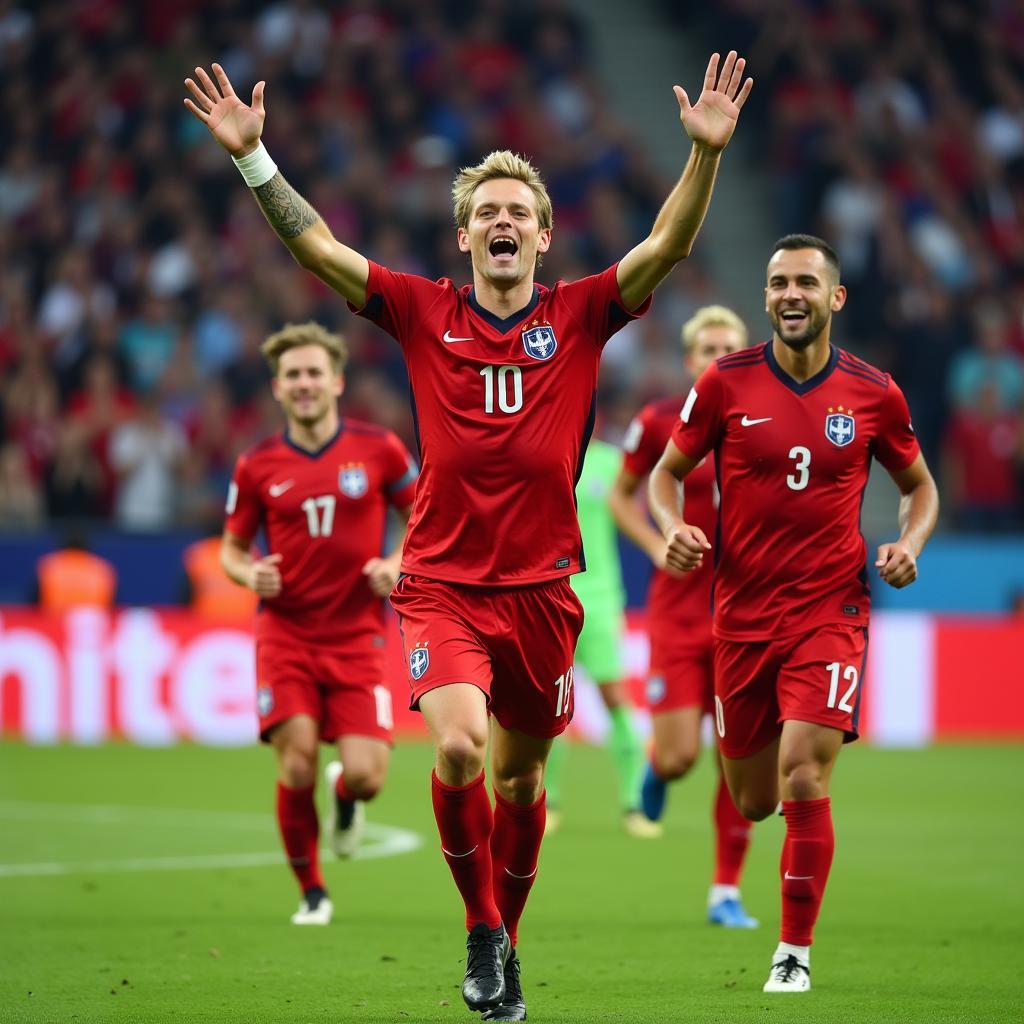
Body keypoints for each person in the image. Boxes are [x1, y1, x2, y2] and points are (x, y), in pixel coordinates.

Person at [185, 51, 752, 1018]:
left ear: (542, 236)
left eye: (516, 212)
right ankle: (482, 929)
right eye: (485, 211)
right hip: (443, 583)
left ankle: (508, 938)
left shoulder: (580, 315)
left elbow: (666, 246)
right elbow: (320, 249)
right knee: (456, 752)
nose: (500, 222)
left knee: (521, 786)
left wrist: (701, 157)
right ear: (464, 236)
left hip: (542, 591)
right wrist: (254, 160)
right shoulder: (420, 311)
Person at [649, 234, 939, 993]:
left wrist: (909, 541)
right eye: (778, 283)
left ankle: (793, 951)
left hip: (830, 610)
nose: (790, 295)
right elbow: (663, 474)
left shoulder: (875, 391)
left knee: (805, 773)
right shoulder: (723, 384)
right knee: (756, 797)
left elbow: (921, 487)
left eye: (806, 282)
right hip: (740, 618)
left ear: (834, 297)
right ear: (767, 296)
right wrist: (672, 526)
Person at [220, 321, 417, 926]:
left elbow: (427, 518)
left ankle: (345, 797)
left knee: (365, 776)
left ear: (336, 380)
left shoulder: (380, 449)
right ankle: (312, 891)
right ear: (278, 388)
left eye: (314, 373)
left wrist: (395, 561)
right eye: (293, 376)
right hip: (286, 635)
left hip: (359, 636)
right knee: (297, 760)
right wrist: (250, 575)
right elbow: (230, 549)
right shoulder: (256, 464)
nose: (304, 384)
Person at [609, 304, 758, 927]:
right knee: (677, 759)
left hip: (747, 616)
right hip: (677, 614)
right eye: (707, 349)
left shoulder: (769, 423)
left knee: (737, 754)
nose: (718, 358)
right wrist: (654, 546)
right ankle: (656, 766)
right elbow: (622, 494)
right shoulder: (660, 422)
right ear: (690, 359)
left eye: (731, 348)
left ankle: (725, 891)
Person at [544, 437, 656, 840]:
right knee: (546, 703)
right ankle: (547, 800)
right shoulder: (544, 451)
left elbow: (633, 513)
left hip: (600, 601)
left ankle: (635, 801)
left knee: (616, 698)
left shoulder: (611, 462)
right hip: (547, 598)